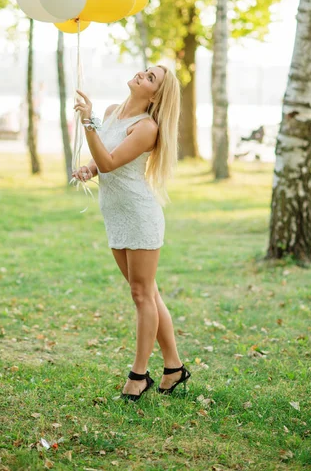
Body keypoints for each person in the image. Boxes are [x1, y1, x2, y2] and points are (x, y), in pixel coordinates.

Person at [72, 65, 191, 402]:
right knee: (147, 292)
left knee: (141, 294)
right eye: (145, 70)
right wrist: (88, 168)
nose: (142, 75)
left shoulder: (147, 127)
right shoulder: (111, 113)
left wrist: (86, 122)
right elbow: (104, 161)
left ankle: (139, 375)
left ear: (155, 95)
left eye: (150, 78)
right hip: (117, 215)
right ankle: (174, 368)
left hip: (140, 216)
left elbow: (110, 162)